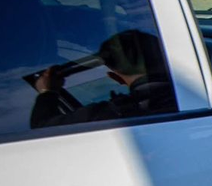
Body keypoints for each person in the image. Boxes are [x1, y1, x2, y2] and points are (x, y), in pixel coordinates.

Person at [30, 29, 177, 129]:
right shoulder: (186, 96)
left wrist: (47, 92)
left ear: (115, 78)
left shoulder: (106, 115)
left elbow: (42, 128)